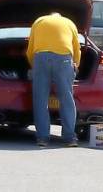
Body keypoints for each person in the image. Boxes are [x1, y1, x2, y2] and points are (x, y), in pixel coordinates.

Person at [27, 12, 81, 148]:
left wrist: (33, 65)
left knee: (40, 99)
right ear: (60, 16)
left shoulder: (39, 21)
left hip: (41, 57)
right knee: (66, 99)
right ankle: (69, 138)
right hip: (64, 58)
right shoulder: (69, 23)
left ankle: (43, 138)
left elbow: (30, 48)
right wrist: (76, 65)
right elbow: (76, 49)